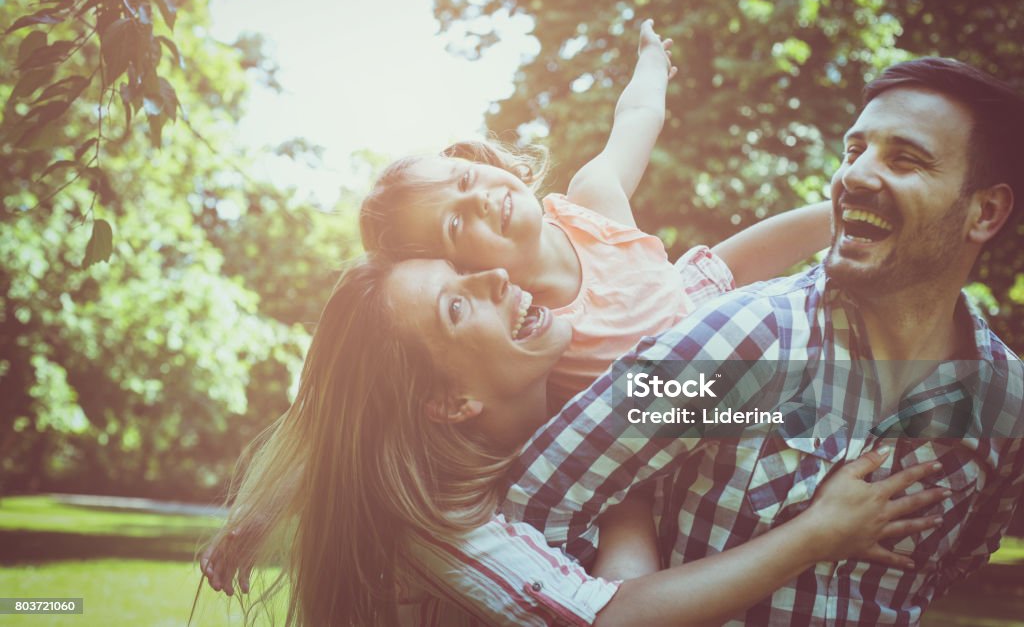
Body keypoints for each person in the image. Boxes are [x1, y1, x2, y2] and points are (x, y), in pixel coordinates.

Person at [502, 57, 1024, 625]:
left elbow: (950, 565)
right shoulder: (741, 342)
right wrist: (631, 593)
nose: (853, 176)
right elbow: (538, 510)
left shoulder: (1006, 404)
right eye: (854, 151)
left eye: (905, 159)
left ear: (986, 211)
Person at [199, 254, 948, 627]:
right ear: (451, 400)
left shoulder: (593, 355)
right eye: (459, 304)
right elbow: (610, 618)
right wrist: (820, 531)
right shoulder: (439, 528)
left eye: (467, 268)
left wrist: (853, 228)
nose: (496, 273)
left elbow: (716, 264)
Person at [360, 19, 832, 402]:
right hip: (678, 406)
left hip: (692, 304)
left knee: (722, 266)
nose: (478, 199)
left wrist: (650, 62)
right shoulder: (524, 330)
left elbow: (636, 118)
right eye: (456, 223)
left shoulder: (590, 201)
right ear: (460, 272)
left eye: (465, 179)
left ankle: (842, 214)